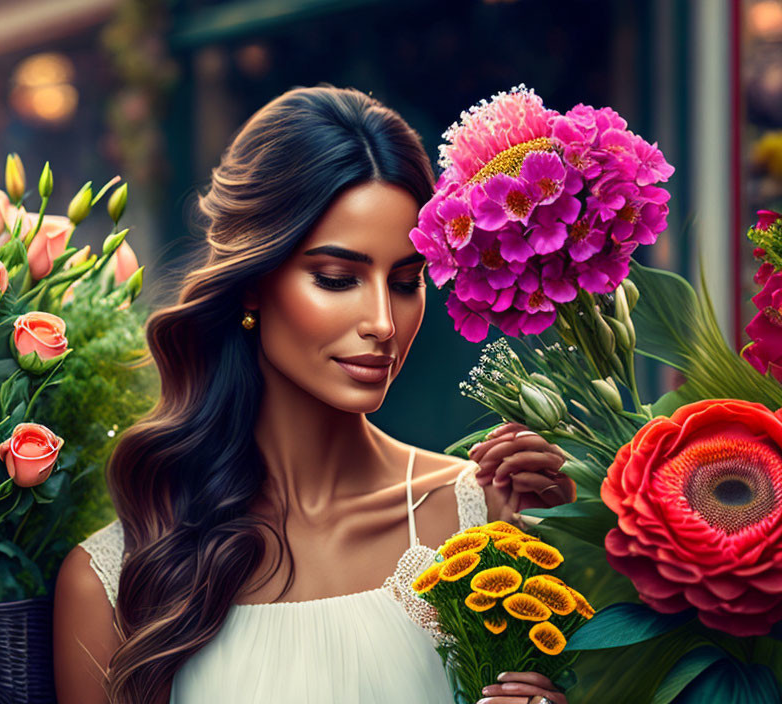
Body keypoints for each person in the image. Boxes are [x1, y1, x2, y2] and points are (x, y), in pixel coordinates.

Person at [52, 84, 575, 704]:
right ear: (253, 283)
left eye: (407, 282)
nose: (382, 320)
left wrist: (572, 532)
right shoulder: (116, 577)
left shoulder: (484, 519)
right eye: (336, 278)